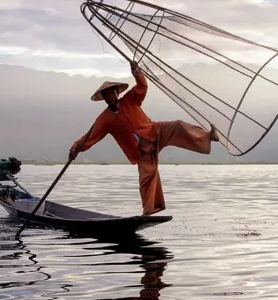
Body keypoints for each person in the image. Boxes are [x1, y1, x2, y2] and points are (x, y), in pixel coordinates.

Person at [68, 60, 219, 215]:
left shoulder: (130, 99)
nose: (110, 97)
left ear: (117, 93)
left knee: (178, 126)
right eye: (106, 95)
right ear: (104, 98)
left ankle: (209, 137)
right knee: (147, 176)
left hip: (155, 131)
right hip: (141, 151)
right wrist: (75, 149)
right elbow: (90, 137)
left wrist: (136, 72)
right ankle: (149, 211)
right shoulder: (104, 119)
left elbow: (142, 87)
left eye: (112, 93)